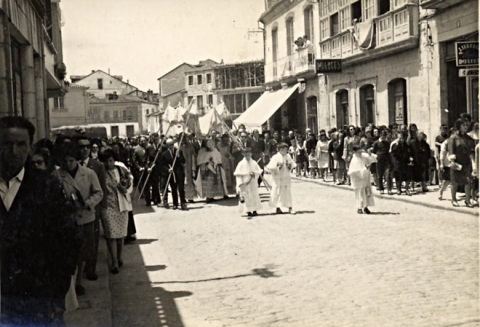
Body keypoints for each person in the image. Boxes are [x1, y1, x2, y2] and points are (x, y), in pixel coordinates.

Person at [0, 117, 80, 326]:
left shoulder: (47, 186)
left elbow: (67, 242)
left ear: (30, 147)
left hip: (37, 299)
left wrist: (57, 297)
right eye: (7, 144)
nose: (14, 151)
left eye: (21, 145)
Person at [55, 142, 104, 296]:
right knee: (68, 252)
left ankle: (78, 283)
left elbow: (99, 193)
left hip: (85, 218)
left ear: (76, 159)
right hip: (66, 218)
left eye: (71, 160)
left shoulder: (89, 173)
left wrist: (87, 203)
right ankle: (69, 284)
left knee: (83, 252)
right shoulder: (57, 175)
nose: (68, 164)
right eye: (65, 161)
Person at [77, 136, 108, 282]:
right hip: (76, 211)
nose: (85, 149)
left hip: (92, 209)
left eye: (87, 147)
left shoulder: (97, 165)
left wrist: (102, 208)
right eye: (81, 147)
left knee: (92, 241)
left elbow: (102, 189)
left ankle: (91, 269)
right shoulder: (72, 165)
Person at [100, 149, 133, 273]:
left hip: (121, 205)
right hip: (107, 207)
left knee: (120, 235)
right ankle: (114, 261)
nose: (109, 164)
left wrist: (126, 188)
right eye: (106, 161)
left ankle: (119, 256)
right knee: (110, 235)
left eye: (111, 160)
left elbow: (130, 180)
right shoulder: (100, 171)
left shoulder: (120, 169)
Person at [449, 118, 475, 207]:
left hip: (466, 163)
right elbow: (451, 151)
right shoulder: (453, 137)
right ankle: (454, 199)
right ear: (459, 126)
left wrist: (473, 164)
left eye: (467, 125)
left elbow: (471, 151)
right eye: (464, 125)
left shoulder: (468, 138)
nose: (465, 127)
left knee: (468, 181)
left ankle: (467, 200)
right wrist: (453, 162)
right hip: (457, 163)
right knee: (455, 182)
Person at [266, 143, 297, 214]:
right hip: (278, 178)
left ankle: (290, 207)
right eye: (286, 149)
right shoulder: (275, 157)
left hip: (286, 177)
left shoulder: (288, 156)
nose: (287, 150)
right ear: (281, 149)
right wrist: (277, 167)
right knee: (277, 192)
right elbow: (270, 168)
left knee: (287, 192)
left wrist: (290, 166)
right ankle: (278, 208)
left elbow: (292, 164)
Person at [348, 144, 377, 214]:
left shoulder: (362, 156)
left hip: (365, 178)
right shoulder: (354, 160)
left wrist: (370, 154)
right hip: (358, 180)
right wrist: (365, 169)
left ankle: (366, 207)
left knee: (367, 193)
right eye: (358, 152)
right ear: (354, 152)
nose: (360, 153)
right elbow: (354, 171)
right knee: (360, 194)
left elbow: (372, 159)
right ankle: (359, 207)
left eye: (360, 152)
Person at [234, 147, 263, 218]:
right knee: (246, 197)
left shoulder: (254, 162)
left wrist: (254, 173)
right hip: (245, 183)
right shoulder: (241, 163)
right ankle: (248, 210)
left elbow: (258, 172)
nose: (247, 156)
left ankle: (255, 210)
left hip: (253, 182)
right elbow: (238, 175)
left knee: (254, 196)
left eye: (249, 155)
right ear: (243, 155)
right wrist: (240, 183)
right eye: (246, 155)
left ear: (251, 154)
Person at [159, 138, 187, 210]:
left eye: (172, 144)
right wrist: (168, 169)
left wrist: (179, 156)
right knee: (173, 189)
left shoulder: (178, 151)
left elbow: (183, 161)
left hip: (179, 173)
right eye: (169, 145)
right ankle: (175, 204)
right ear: (167, 146)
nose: (171, 146)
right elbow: (162, 165)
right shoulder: (164, 154)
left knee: (181, 188)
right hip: (171, 173)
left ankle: (183, 203)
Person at [196, 139, 226, 203]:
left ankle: (212, 196)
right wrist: (206, 162)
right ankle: (208, 197)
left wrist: (215, 162)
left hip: (215, 168)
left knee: (214, 182)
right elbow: (200, 159)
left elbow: (218, 157)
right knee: (207, 183)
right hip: (206, 169)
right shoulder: (202, 150)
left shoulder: (214, 150)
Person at [372, 129, 393, 195]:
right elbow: (374, 151)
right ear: (380, 135)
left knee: (388, 175)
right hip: (379, 160)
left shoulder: (387, 143)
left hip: (386, 161)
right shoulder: (376, 143)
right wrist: (376, 157)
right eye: (382, 136)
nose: (383, 137)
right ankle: (381, 189)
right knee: (380, 175)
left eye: (384, 136)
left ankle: (389, 189)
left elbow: (389, 152)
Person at [179, 133, 198, 202]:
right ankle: (183, 197)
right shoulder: (177, 146)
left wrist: (193, 164)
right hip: (181, 166)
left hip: (189, 166)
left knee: (189, 181)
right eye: (183, 137)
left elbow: (193, 154)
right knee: (182, 181)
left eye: (185, 137)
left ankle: (190, 197)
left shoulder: (190, 145)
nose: (184, 139)